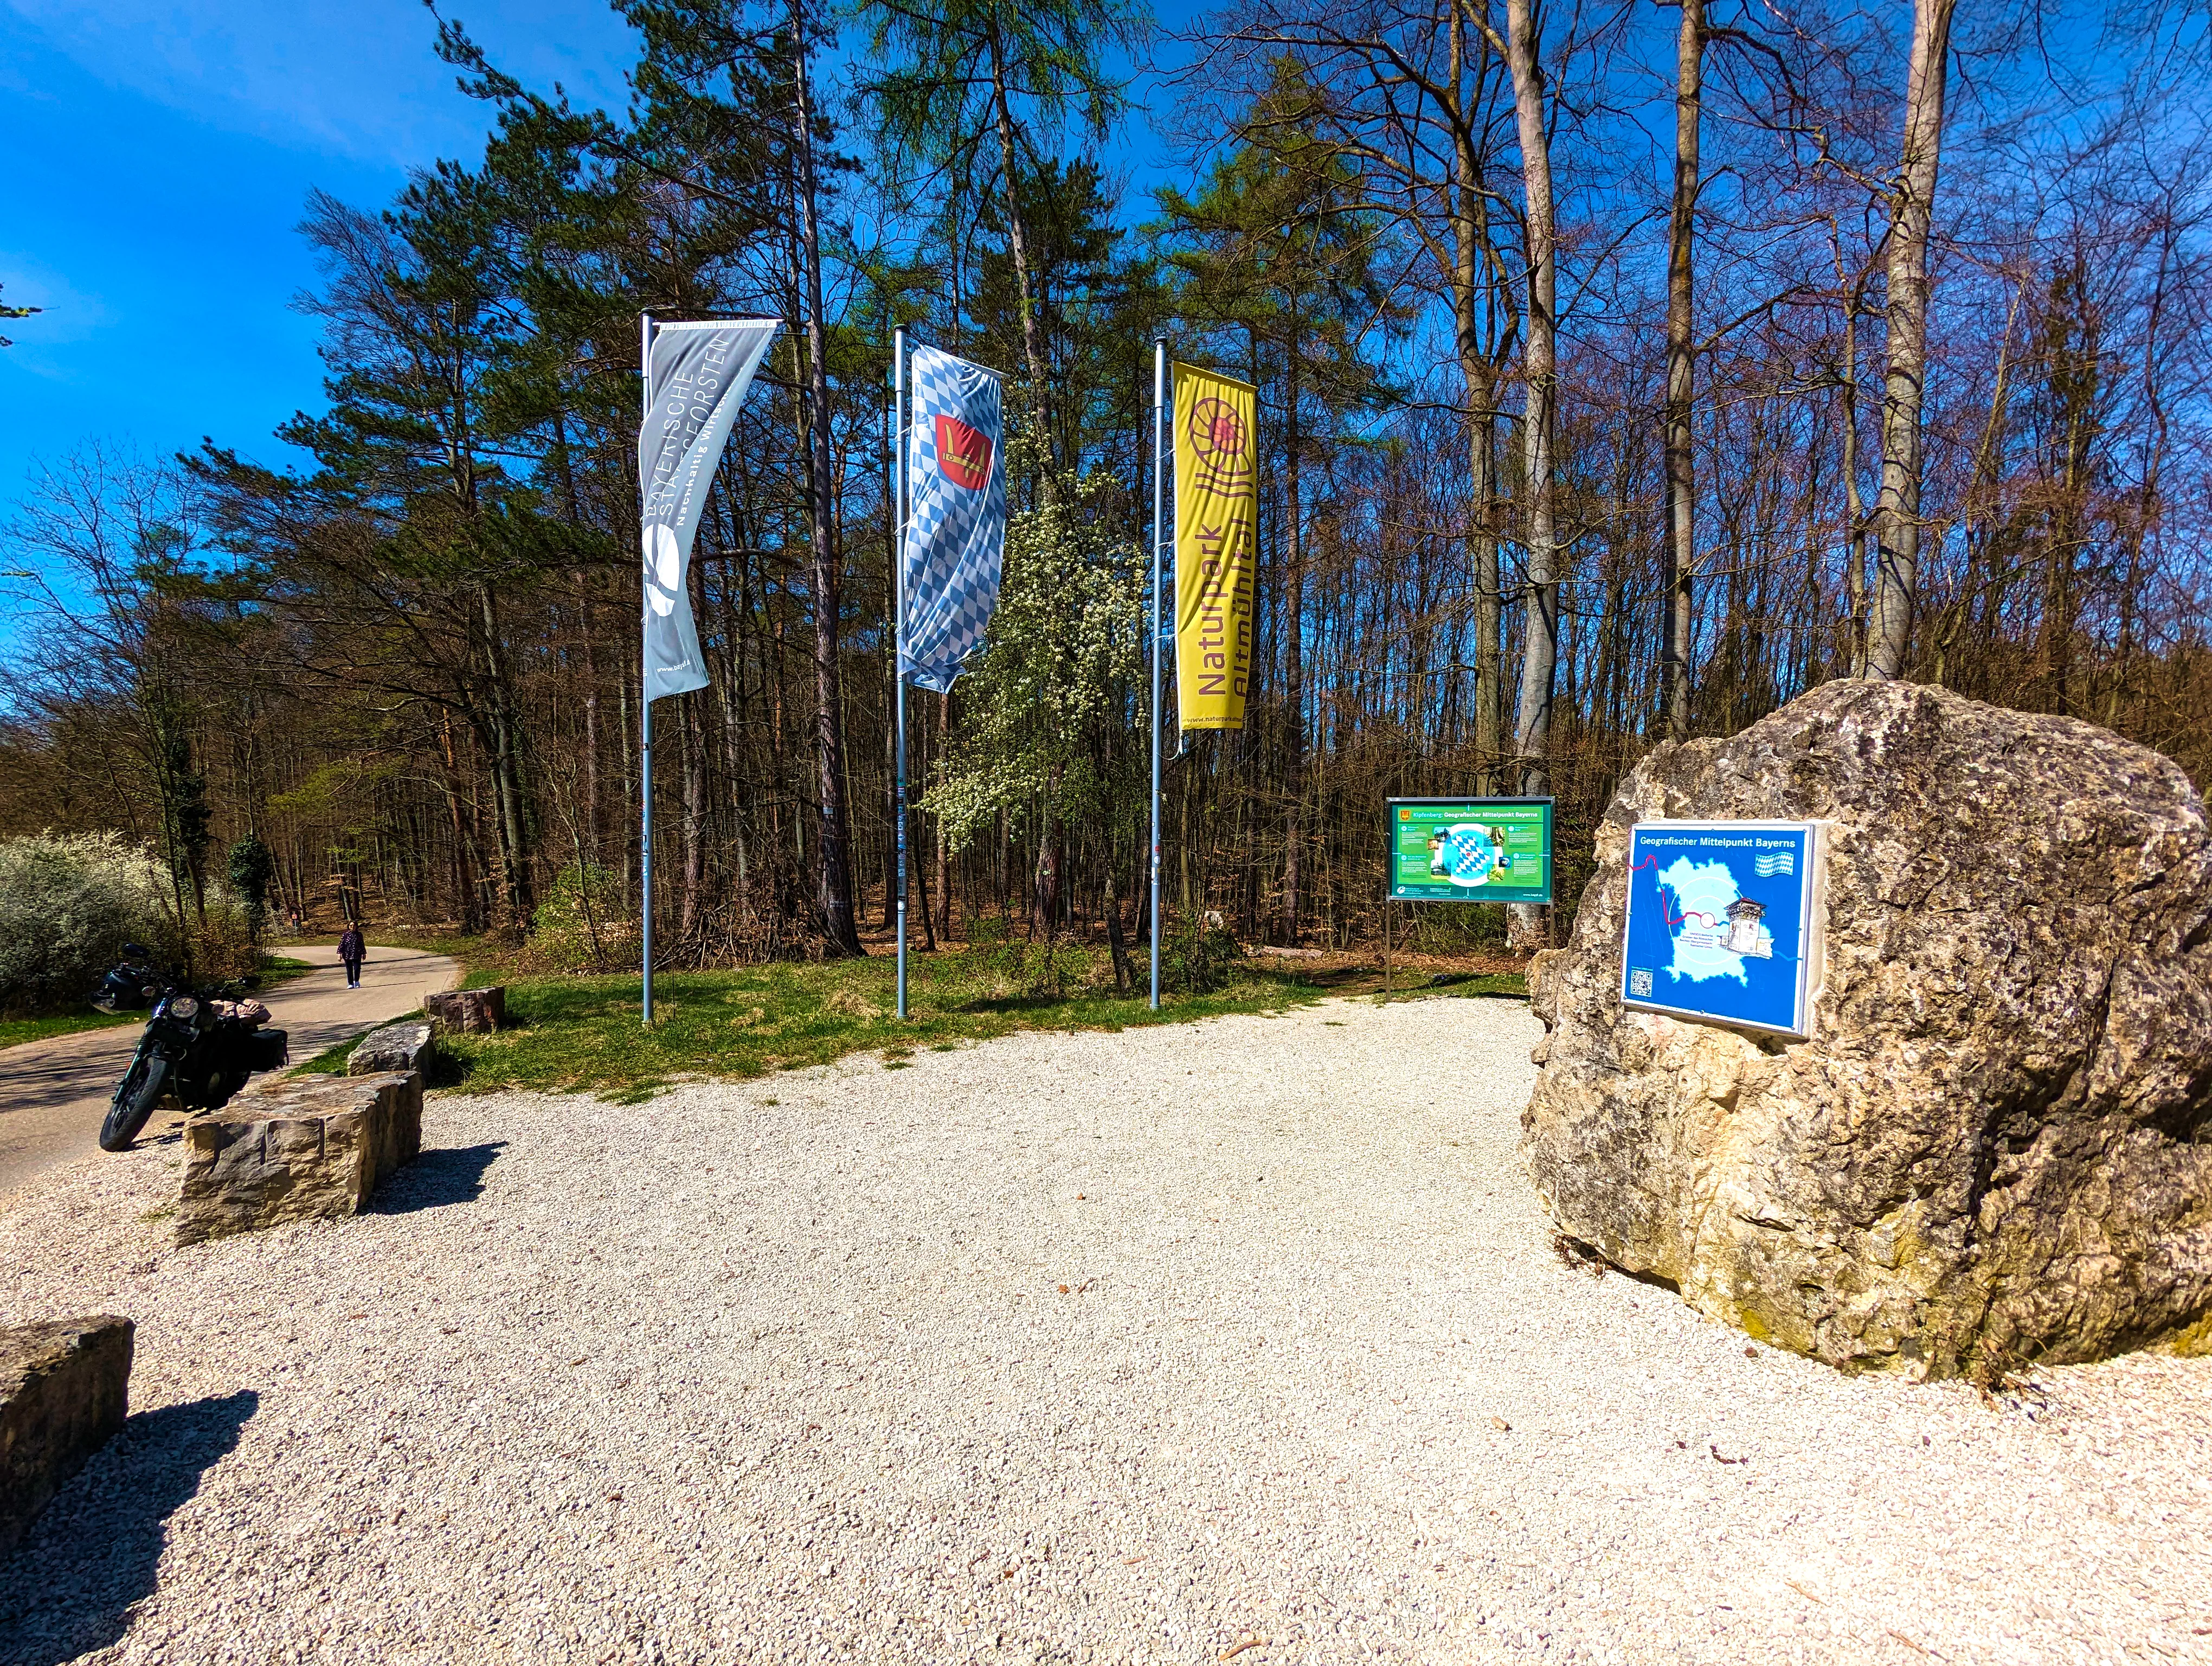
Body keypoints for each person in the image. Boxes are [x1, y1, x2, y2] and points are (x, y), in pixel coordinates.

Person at [338, 924, 365, 990]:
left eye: (354, 925)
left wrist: (364, 953)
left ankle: (356, 981)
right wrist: (339, 954)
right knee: (349, 969)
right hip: (347, 954)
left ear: (356, 927)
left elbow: (362, 944)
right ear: (348, 927)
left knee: (357, 968)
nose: (352, 927)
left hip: (357, 954)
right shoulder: (345, 935)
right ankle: (351, 984)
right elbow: (341, 945)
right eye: (351, 926)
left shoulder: (359, 935)